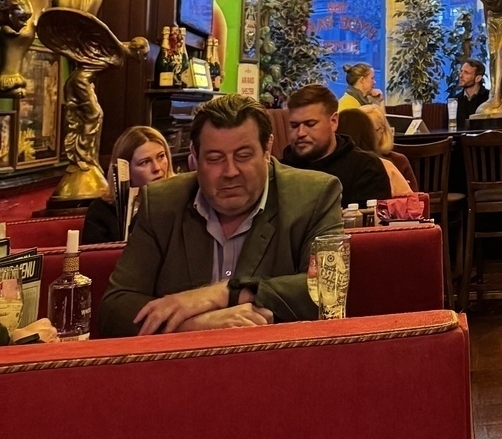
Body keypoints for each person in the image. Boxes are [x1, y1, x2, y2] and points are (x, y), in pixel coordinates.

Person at [98, 95, 342, 338]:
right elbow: (115, 309)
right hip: (180, 367)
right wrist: (196, 325)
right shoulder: (162, 203)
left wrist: (225, 293)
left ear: (267, 149)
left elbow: (328, 290)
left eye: (243, 156)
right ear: (194, 156)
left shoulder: (314, 196)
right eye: (214, 159)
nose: (230, 172)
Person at [282, 83, 391, 204]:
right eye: (294, 126)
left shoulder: (366, 167)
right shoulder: (278, 172)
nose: (301, 133)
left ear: (333, 121)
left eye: (310, 124)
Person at [82, 125, 174, 244]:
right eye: (145, 162)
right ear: (125, 171)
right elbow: (98, 260)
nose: (157, 168)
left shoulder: (184, 198)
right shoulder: (101, 211)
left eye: (161, 156)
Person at [342, 106, 414, 196]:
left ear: (383, 131)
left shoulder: (398, 161)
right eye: (366, 131)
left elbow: (414, 200)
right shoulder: (344, 164)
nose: (369, 135)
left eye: (372, 130)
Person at [454, 59, 490, 130]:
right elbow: (447, 127)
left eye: (466, 72)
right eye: (461, 71)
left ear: (478, 78)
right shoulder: (455, 100)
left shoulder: (489, 98)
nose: (461, 75)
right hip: (459, 139)